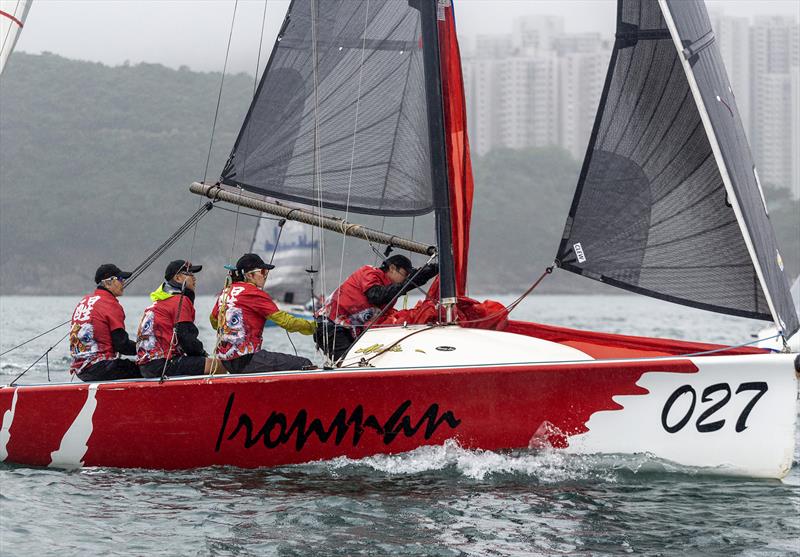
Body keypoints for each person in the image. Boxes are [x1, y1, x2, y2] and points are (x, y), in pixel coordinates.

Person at [315, 254, 438, 361]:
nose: (405, 279)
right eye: (405, 274)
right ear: (392, 268)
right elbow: (376, 296)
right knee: (350, 363)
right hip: (330, 326)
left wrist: (434, 270)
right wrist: (412, 281)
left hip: (349, 329)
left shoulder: (390, 288)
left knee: (364, 362)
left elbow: (388, 304)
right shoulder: (369, 272)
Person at [210, 253, 316, 373]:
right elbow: (287, 322)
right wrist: (315, 327)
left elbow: (214, 322)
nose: (265, 276)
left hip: (227, 361)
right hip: (246, 359)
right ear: (250, 275)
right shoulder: (254, 293)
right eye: (263, 271)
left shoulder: (225, 292)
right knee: (304, 364)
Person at [136, 260, 224, 378]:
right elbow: (186, 338)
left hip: (146, 366)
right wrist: (203, 355)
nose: (194, 278)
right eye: (190, 274)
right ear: (177, 278)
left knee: (197, 363)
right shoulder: (180, 301)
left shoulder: (159, 303)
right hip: (163, 365)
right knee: (217, 366)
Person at [69, 264, 141, 382]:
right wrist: (146, 349)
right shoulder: (110, 304)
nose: (123, 283)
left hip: (81, 370)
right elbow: (122, 345)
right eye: (120, 279)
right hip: (102, 368)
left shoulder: (84, 301)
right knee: (146, 370)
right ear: (108, 283)